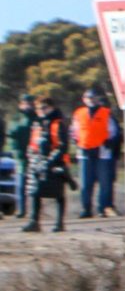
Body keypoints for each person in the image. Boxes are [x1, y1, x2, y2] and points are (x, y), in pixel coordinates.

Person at [21, 97, 69, 233]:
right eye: (38, 108)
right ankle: (34, 221)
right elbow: (33, 143)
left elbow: (62, 146)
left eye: (44, 108)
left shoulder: (58, 123)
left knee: (58, 193)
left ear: (51, 107)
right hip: (38, 161)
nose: (41, 111)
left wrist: (50, 161)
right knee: (35, 191)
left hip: (56, 162)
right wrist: (31, 154)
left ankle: (59, 223)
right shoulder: (37, 123)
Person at [72, 88, 118, 219]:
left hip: (102, 152)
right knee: (85, 183)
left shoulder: (106, 113)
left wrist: (109, 143)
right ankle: (86, 209)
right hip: (85, 152)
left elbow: (114, 131)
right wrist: (77, 142)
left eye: (94, 98)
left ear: (98, 99)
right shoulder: (79, 113)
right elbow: (74, 131)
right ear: (84, 99)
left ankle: (104, 208)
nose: (91, 100)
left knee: (105, 182)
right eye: (88, 98)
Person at [6, 96, 32, 221]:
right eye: (25, 103)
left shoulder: (36, 117)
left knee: (35, 184)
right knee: (21, 183)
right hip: (21, 154)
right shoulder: (16, 118)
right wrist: (15, 151)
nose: (27, 106)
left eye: (29, 103)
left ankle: (34, 210)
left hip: (34, 154)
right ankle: (21, 210)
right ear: (21, 104)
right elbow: (11, 134)